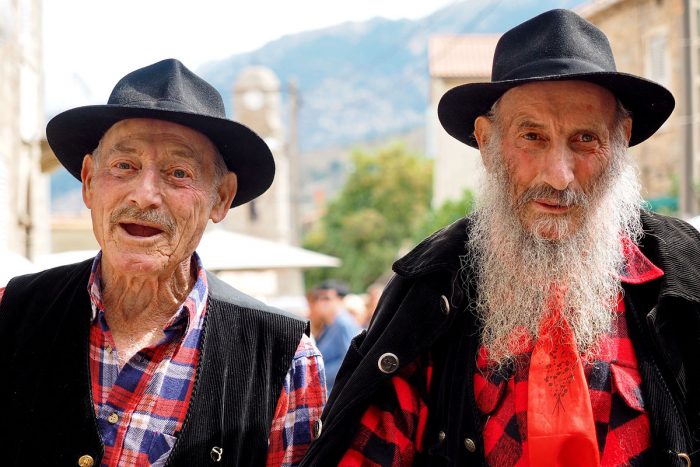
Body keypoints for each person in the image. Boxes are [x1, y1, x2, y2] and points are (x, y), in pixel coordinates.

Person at [302, 9, 699, 466]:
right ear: (488, 143)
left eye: (585, 139)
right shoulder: (429, 295)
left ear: (621, 140)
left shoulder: (687, 279)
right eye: (532, 136)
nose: (559, 175)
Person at [0, 59, 326, 467]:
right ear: (87, 181)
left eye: (177, 172)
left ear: (221, 198)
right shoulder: (10, 311)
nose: (144, 195)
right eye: (124, 166)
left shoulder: (283, 357)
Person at [308, 280, 361, 392]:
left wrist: (317, 374)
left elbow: (349, 360)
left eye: (326, 298)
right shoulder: (329, 324)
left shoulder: (343, 323)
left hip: (336, 391)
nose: (321, 302)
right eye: (319, 298)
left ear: (340, 300)